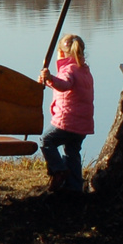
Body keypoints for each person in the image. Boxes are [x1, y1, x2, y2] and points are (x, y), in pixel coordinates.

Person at [38, 34, 94, 194]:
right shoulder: (84, 71)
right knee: (72, 152)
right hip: (83, 124)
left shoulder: (67, 69)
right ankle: (75, 187)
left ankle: (59, 171)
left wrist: (50, 78)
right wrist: (50, 81)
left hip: (67, 121)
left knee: (46, 140)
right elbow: (69, 89)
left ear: (61, 54)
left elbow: (65, 85)